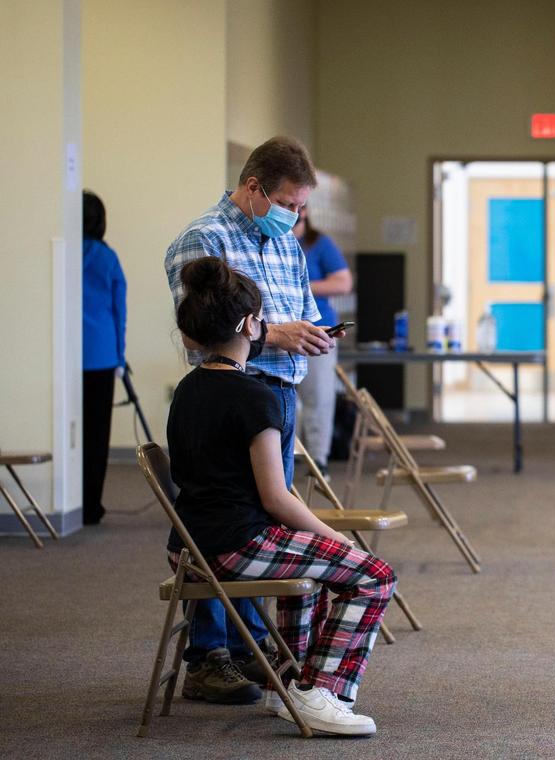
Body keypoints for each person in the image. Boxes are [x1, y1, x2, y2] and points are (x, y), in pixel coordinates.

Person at [168, 256, 393, 736]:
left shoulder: (187, 390)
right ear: (252, 324)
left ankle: (286, 685)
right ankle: (320, 691)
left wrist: (322, 542)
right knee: (374, 574)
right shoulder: (256, 396)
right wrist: (339, 538)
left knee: (309, 564)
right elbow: (276, 497)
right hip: (233, 547)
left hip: (190, 547)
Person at [164, 136, 343, 704]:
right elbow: (198, 327)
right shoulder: (202, 240)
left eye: (302, 207)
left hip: (276, 394)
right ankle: (210, 652)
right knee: (225, 522)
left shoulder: (287, 242)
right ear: (253, 188)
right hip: (224, 394)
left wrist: (307, 333)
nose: (297, 216)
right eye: (289, 203)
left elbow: (300, 314)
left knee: (262, 523)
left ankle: (250, 644)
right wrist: (274, 333)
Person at [294, 207, 353, 473]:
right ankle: (286, 458)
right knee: (284, 402)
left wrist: (302, 286)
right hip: (280, 331)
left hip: (318, 328)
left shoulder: (319, 243)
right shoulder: (272, 239)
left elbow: (343, 283)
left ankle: (318, 460)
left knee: (318, 397)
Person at [81, 191, 126, 526]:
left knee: (70, 431)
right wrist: (120, 356)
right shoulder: (107, 257)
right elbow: (118, 311)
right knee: (96, 434)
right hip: (101, 354)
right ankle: (91, 505)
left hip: (66, 355)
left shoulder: (61, 252)